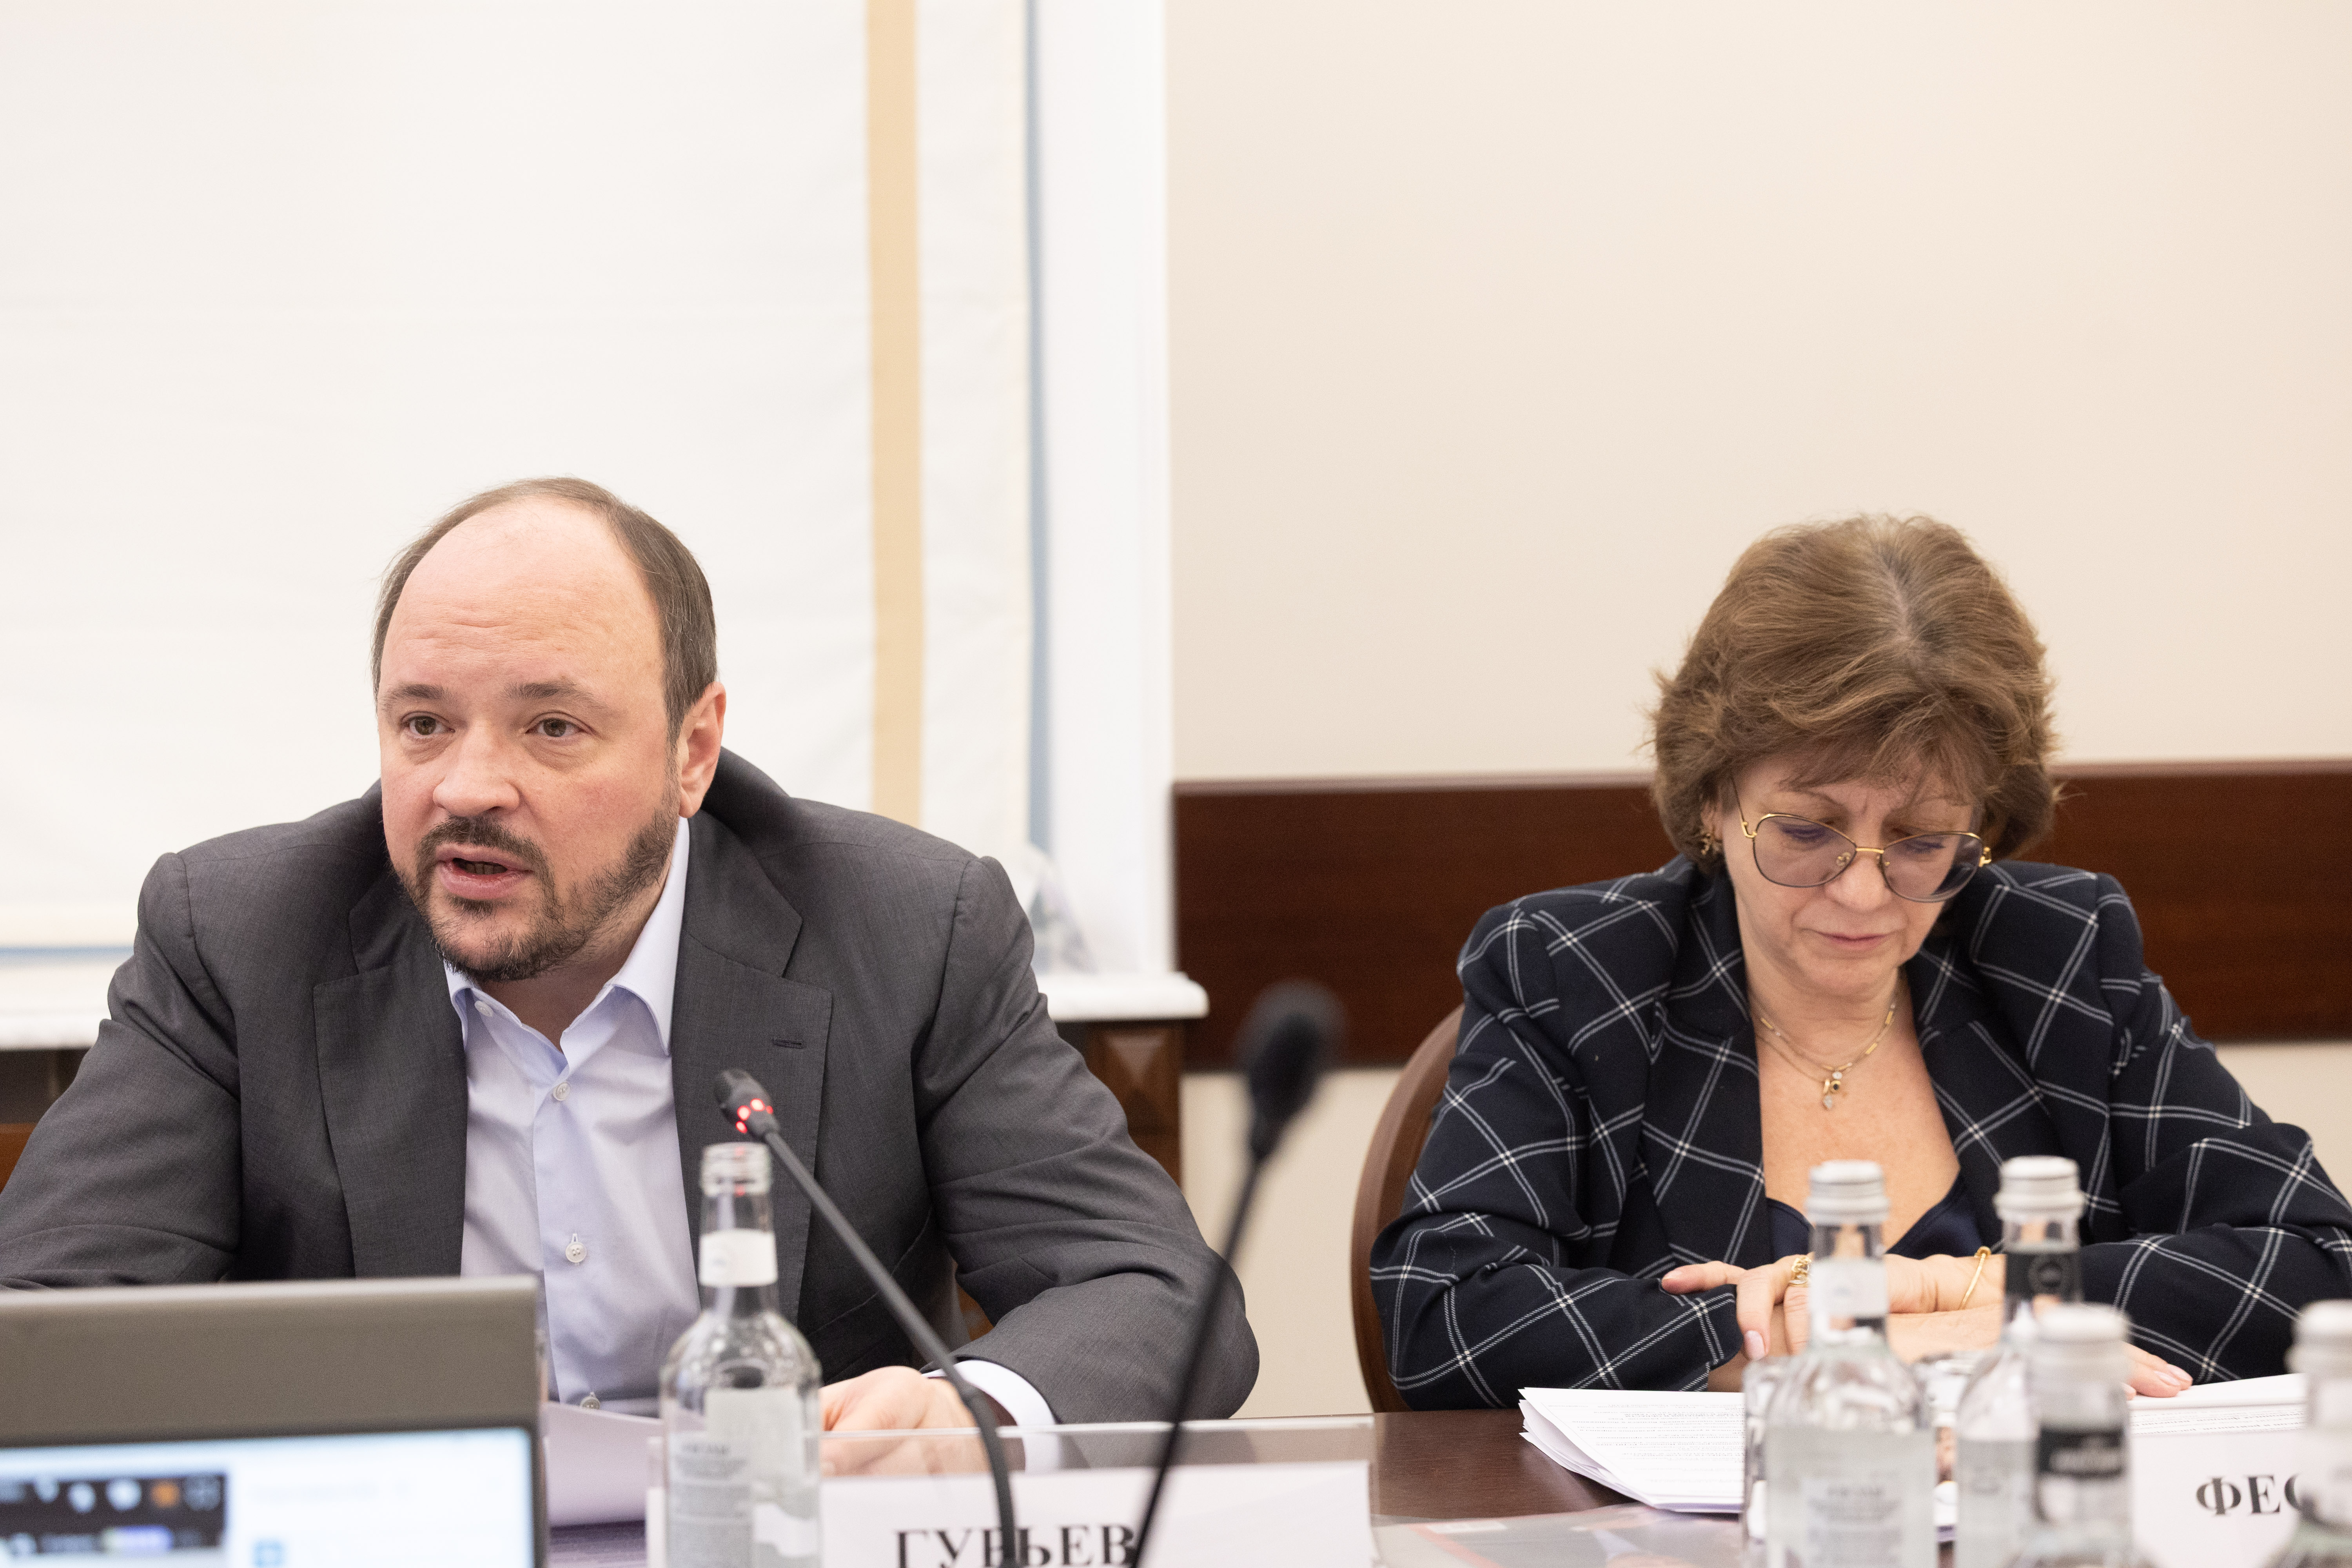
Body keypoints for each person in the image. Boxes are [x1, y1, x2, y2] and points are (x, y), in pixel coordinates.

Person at [0, 476, 1255, 1430]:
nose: (466, 788)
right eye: (423, 724)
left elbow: (1156, 1294)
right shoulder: (242, 938)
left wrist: (965, 1416)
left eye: (551, 727)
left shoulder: (907, 930)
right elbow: (42, 1326)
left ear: (692, 752)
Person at [1371, 515, 2352, 1406]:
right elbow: (1445, 1310)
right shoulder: (1577, 970)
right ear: (1714, 801)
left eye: (1923, 841)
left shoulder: (2059, 955)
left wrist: (1970, 1296)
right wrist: (1844, 1343)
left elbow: (2322, 1261)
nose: (1864, 893)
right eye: (1807, 830)